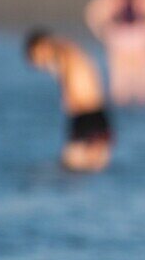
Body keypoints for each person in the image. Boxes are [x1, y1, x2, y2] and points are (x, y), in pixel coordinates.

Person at [24, 28, 113, 173]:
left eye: (35, 56)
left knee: (75, 161)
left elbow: (67, 66)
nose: (39, 62)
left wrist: (67, 95)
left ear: (41, 46)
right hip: (90, 110)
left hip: (88, 111)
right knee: (84, 162)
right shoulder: (65, 51)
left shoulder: (61, 50)